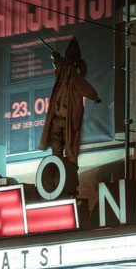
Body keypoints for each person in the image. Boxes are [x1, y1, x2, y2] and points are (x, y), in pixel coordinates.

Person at [39, 37, 101, 174]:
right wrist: (55, 56)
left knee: (69, 148)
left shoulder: (72, 74)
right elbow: (59, 62)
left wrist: (94, 96)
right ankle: (59, 171)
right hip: (58, 120)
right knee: (59, 147)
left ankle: (69, 172)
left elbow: (84, 87)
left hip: (67, 121)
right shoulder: (64, 70)